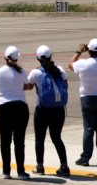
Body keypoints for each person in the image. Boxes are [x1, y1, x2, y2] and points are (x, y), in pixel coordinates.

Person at [28, 45, 70, 176]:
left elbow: (29, 86)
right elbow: (66, 85)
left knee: (39, 139)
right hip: (58, 110)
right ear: (51, 56)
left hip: (43, 110)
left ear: (37, 58)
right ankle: (64, 166)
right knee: (57, 138)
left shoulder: (36, 73)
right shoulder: (60, 70)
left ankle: (40, 167)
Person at [68, 38, 97, 167]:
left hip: (87, 98)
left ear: (89, 51)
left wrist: (79, 51)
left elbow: (71, 64)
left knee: (88, 129)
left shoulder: (83, 63)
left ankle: (85, 157)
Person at [0, 45, 32, 180]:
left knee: (5, 141)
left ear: (5, 57)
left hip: (3, 107)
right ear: (17, 58)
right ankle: (21, 171)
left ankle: (6, 171)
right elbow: (27, 86)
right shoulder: (21, 72)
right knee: (19, 141)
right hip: (20, 106)